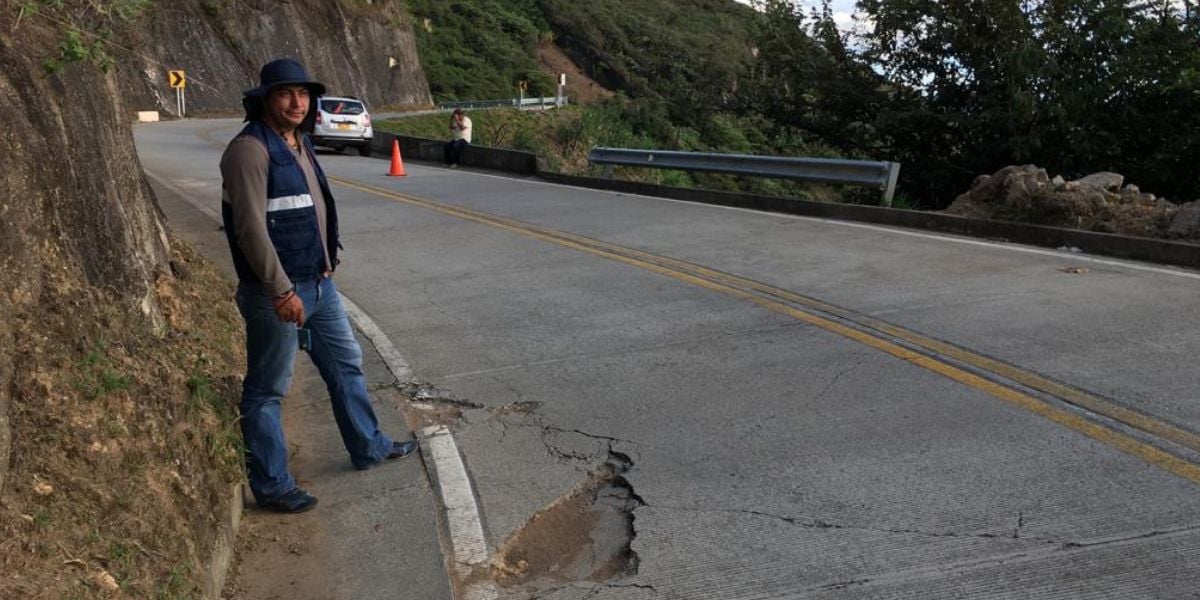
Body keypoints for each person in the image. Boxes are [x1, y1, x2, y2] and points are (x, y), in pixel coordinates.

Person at [220, 57, 417, 514]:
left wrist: (328, 261)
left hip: (319, 284)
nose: (297, 102)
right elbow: (250, 229)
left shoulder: (300, 143)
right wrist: (280, 290)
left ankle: (368, 445)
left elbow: (311, 211)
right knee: (268, 388)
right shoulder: (250, 150)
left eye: (304, 94)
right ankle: (271, 485)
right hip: (277, 293)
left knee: (347, 364)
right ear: (265, 98)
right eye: (286, 93)